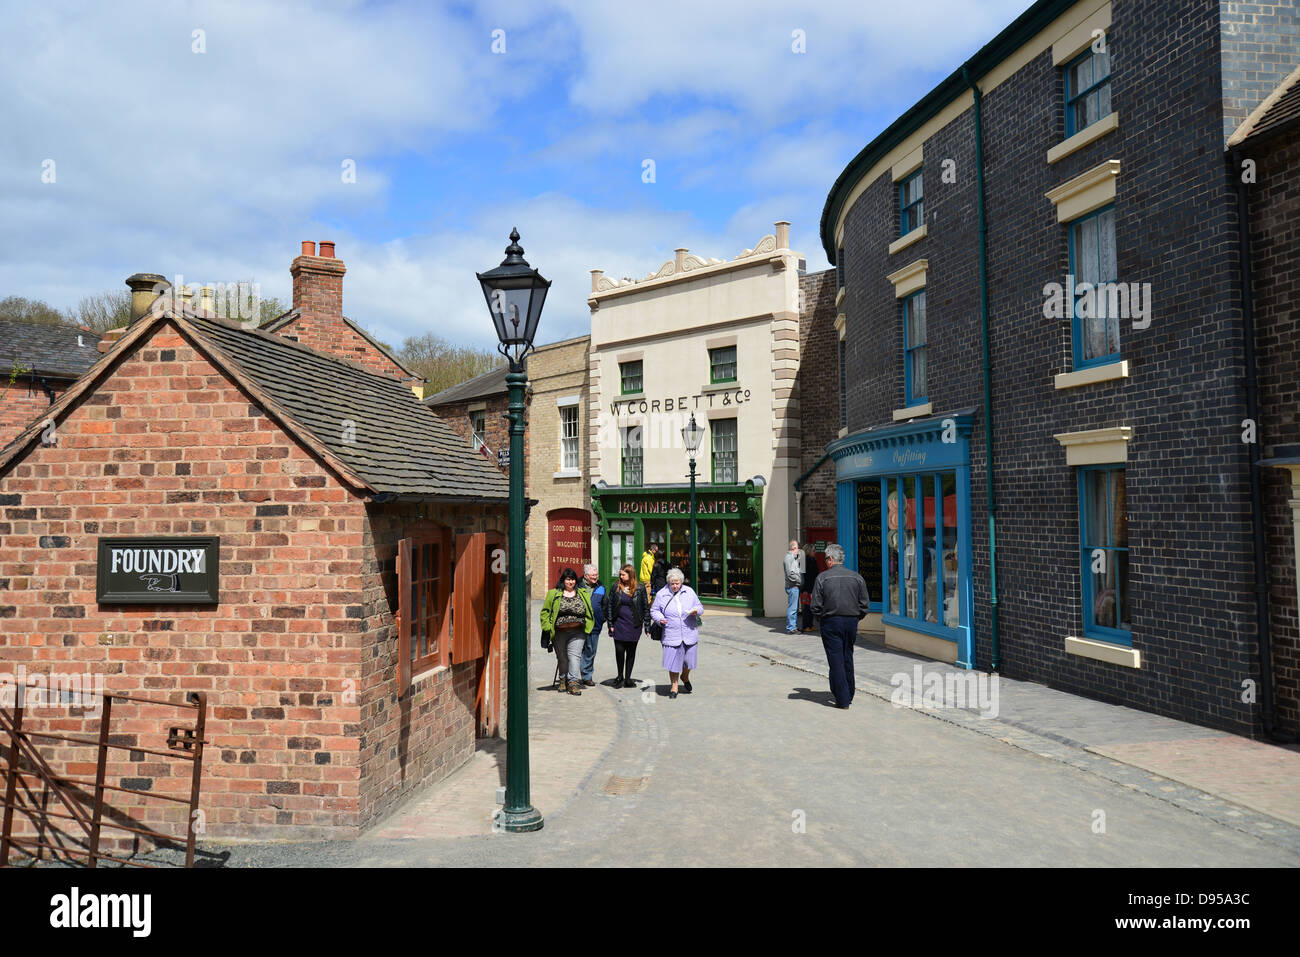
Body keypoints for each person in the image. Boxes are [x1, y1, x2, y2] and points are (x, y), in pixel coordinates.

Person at [809, 543, 870, 709]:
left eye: (826, 559)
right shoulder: (856, 577)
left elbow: (815, 606)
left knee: (836, 660)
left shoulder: (822, 578)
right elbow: (864, 604)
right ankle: (848, 693)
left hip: (830, 621)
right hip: (851, 621)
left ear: (830, 559)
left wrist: (821, 618)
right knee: (847, 656)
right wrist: (857, 618)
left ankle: (843, 698)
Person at [650, 567, 703, 700]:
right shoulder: (662, 593)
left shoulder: (689, 591)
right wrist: (659, 618)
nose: (674, 586)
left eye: (677, 583)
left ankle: (684, 676)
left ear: (681, 582)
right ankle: (674, 686)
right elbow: (654, 610)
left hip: (689, 632)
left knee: (689, 661)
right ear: (668, 582)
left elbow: (700, 606)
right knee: (673, 661)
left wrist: (696, 611)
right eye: (672, 583)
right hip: (671, 633)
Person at [538, 567, 593, 695]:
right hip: (559, 632)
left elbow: (589, 609)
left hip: (578, 631)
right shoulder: (554, 593)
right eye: (568, 579)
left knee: (575, 657)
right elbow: (545, 612)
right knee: (562, 658)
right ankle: (563, 679)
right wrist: (546, 627)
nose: (571, 582)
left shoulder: (582, 593)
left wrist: (589, 624)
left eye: (573, 579)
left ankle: (573, 683)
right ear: (563, 580)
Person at [602, 563, 649, 688]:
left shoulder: (640, 588)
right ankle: (619, 676)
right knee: (619, 650)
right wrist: (610, 623)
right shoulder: (615, 587)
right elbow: (610, 606)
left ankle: (628, 678)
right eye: (620, 574)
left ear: (630, 574)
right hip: (619, 624)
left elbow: (645, 607)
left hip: (634, 625)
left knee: (631, 651)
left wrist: (647, 626)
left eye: (623, 574)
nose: (620, 576)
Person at [578, 564, 606, 688]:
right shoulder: (577, 586)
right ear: (586, 576)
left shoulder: (601, 587)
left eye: (596, 575)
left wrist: (602, 618)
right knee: (575, 651)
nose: (595, 577)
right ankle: (571, 677)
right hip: (579, 625)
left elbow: (606, 605)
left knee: (590, 651)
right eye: (592, 575)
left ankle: (587, 677)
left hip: (595, 625)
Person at [783, 539, 804, 634]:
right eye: (798, 548)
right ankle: (791, 628)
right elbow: (789, 574)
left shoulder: (793, 558)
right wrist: (799, 580)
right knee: (792, 608)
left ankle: (793, 627)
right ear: (793, 548)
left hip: (795, 586)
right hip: (792, 586)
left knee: (794, 608)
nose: (799, 550)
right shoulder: (789, 558)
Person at [648, 553, 669, 642]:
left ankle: (660, 614)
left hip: (659, 585)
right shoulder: (668, 564)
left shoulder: (656, 565)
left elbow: (653, 576)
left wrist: (652, 586)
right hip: (666, 584)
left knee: (658, 601)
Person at [800, 543, 820, 633]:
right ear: (809, 551)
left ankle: (811, 624)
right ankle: (805, 626)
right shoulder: (803, 561)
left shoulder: (813, 559)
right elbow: (803, 576)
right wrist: (804, 589)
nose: (815, 552)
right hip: (806, 588)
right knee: (806, 608)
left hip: (813, 587)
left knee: (811, 607)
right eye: (813, 551)